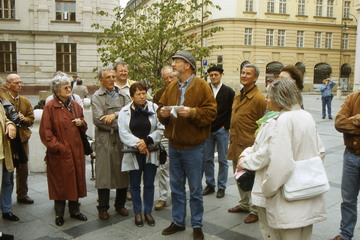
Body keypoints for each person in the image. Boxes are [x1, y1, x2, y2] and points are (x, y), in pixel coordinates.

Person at [254, 78, 326, 239]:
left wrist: (266, 189)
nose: (267, 99)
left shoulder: (283, 120)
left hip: (288, 198)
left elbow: (281, 165)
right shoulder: (306, 115)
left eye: (269, 95)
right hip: (308, 193)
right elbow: (321, 152)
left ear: (279, 98)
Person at [158, 50, 217, 240]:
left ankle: (197, 225)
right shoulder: (172, 86)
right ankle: (178, 221)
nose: (173, 64)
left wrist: (192, 112)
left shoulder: (202, 86)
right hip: (174, 145)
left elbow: (210, 113)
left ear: (188, 65)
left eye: (177, 61)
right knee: (176, 187)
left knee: (195, 189)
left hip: (194, 147)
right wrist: (163, 114)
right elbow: (160, 109)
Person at [39, 73, 88, 226]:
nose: (69, 89)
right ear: (56, 90)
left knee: (75, 180)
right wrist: (59, 147)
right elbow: (45, 132)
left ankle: (75, 211)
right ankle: (59, 214)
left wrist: (81, 123)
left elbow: (84, 126)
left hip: (76, 151)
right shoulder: (50, 106)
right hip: (60, 153)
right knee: (60, 183)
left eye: (69, 86)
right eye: (65, 87)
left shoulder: (75, 105)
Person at [118, 82, 164, 227]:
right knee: (135, 185)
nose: (142, 96)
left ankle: (148, 211)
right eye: (138, 94)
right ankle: (138, 212)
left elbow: (161, 128)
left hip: (151, 151)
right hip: (134, 152)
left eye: (144, 93)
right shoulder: (124, 111)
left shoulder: (154, 108)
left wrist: (147, 141)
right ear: (132, 96)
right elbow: (123, 133)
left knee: (149, 184)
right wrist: (139, 144)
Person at [227, 64, 266, 224]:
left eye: (248, 74)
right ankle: (244, 203)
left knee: (252, 179)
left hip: (250, 146)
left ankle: (255, 210)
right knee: (239, 176)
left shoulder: (259, 99)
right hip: (236, 142)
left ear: (255, 77)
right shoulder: (238, 95)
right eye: (242, 72)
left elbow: (264, 123)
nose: (243, 76)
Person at [92, 67, 130, 220]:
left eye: (113, 76)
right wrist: (119, 122)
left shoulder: (123, 94)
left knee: (122, 172)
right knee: (104, 175)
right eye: (108, 77)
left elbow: (129, 112)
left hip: (121, 138)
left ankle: (120, 205)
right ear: (101, 80)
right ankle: (103, 207)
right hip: (105, 139)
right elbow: (98, 119)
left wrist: (114, 115)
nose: (112, 79)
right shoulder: (96, 96)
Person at [202, 66, 234, 198]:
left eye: (215, 74)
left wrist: (225, 126)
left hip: (221, 130)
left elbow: (232, 111)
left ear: (221, 75)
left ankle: (221, 187)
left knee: (223, 160)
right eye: (211, 75)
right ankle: (210, 184)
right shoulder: (205, 90)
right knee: (207, 159)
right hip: (208, 130)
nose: (213, 77)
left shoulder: (229, 92)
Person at [332, 91, 360, 240]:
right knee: (348, 199)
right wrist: (357, 120)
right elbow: (339, 122)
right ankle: (345, 233)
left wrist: (353, 121)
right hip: (351, 156)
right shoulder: (353, 98)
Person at [4, 74, 35, 205]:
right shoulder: (3, 100)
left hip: (23, 139)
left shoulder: (25, 101)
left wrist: (24, 119)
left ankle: (22, 194)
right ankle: (6, 198)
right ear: (8, 85)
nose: (20, 85)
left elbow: (31, 119)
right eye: (16, 83)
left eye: (21, 82)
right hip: (8, 141)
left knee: (23, 168)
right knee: (9, 170)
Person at [152, 66, 175, 211]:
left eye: (171, 77)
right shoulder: (159, 94)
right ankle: (162, 197)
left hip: (181, 135)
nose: (169, 80)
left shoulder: (183, 91)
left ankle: (178, 194)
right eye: (166, 78)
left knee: (179, 167)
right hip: (165, 133)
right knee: (163, 166)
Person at [0, 101, 16, 239]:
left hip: (4, 153)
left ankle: (6, 210)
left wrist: (9, 123)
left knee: (7, 182)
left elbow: (4, 118)